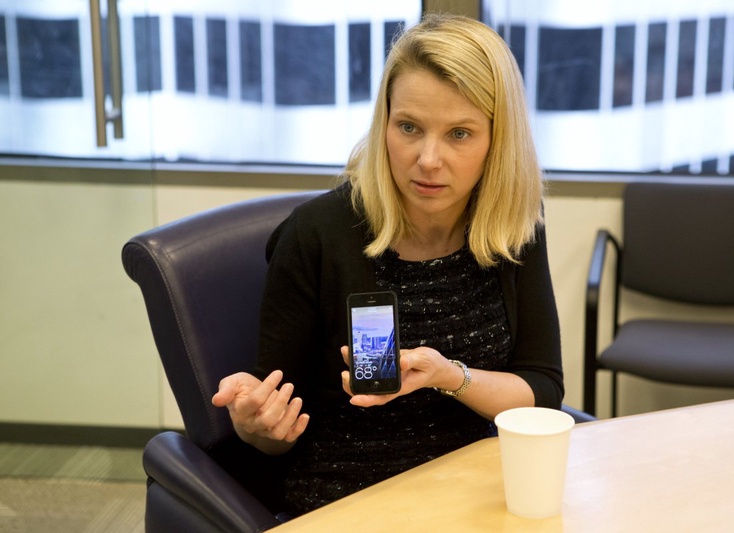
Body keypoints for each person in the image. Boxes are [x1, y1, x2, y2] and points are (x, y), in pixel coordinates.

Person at [212, 13, 564, 517]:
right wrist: (257, 424)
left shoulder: (514, 226)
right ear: (385, 124)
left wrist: (449, 375)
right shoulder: (316, 235)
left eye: (460, 134)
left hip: (475, 489)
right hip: (345, 497)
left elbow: (542, 392)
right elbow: (277, 434)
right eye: (409, 127)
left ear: (497, 141)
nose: (428, 159)